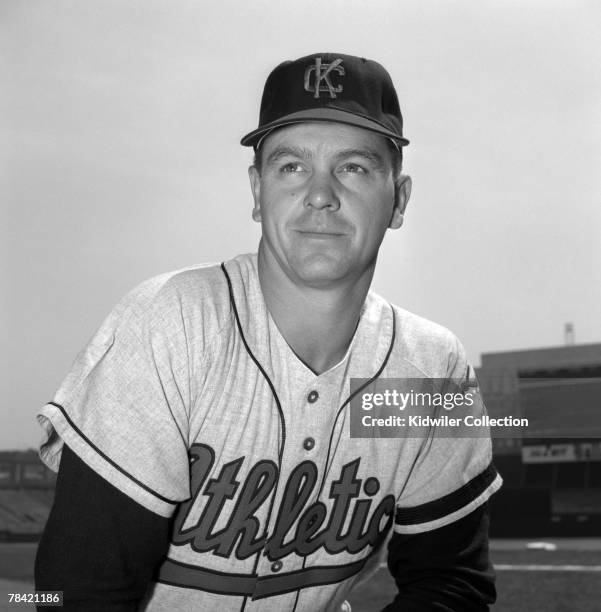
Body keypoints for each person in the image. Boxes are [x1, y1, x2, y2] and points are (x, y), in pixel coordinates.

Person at [35, 52, 502, 611]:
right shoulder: (172, 324)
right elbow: (74, 593)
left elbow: (450, 584)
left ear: (398, 199)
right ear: (257, 192)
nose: (321, 194)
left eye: (353, 167)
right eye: (291, 166)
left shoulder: (432, 371)